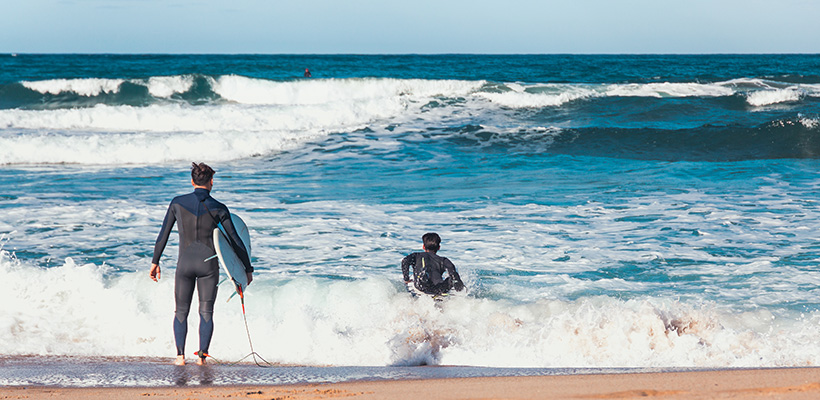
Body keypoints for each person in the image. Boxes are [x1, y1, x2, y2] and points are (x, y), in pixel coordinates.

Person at [150, 162, 253, 366]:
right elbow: (235, 241)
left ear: (192, 181)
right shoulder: (219, 208)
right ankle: (202, 358)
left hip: (184, 265)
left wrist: (155, 261)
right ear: (211, 182)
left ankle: (180, 357)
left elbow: (163, 234)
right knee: (206, 312)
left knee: (180, 311)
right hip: (208, 268)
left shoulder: (177, 203)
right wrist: (247, 270)